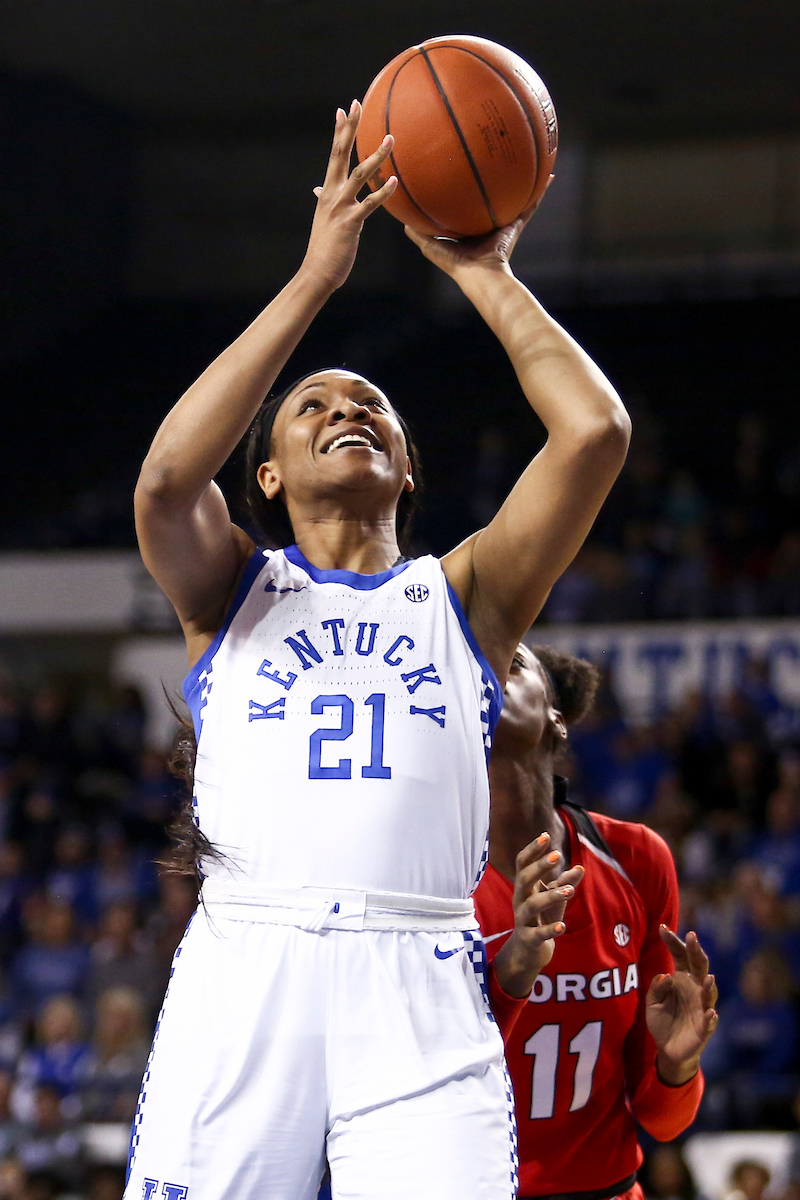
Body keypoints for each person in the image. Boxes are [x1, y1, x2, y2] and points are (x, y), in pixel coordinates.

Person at [130, 98, 630, 1200]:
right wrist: (316, 278)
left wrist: (481, 266)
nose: (346, 408)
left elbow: (592, 433)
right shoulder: (232, 588)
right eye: (313, 406)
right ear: (265, 476)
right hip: (246, 970)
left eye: (371, 405)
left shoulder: (462, 594)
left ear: (407, 468)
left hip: (418, 974)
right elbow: (167, 480)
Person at [475, 644, 718, 1200]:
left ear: (556, 719)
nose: (486, 672)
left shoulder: (636, 858)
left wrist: (678, 1064)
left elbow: (664, 1122)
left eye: (510, 662)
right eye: (472, 664)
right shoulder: (426, 873)